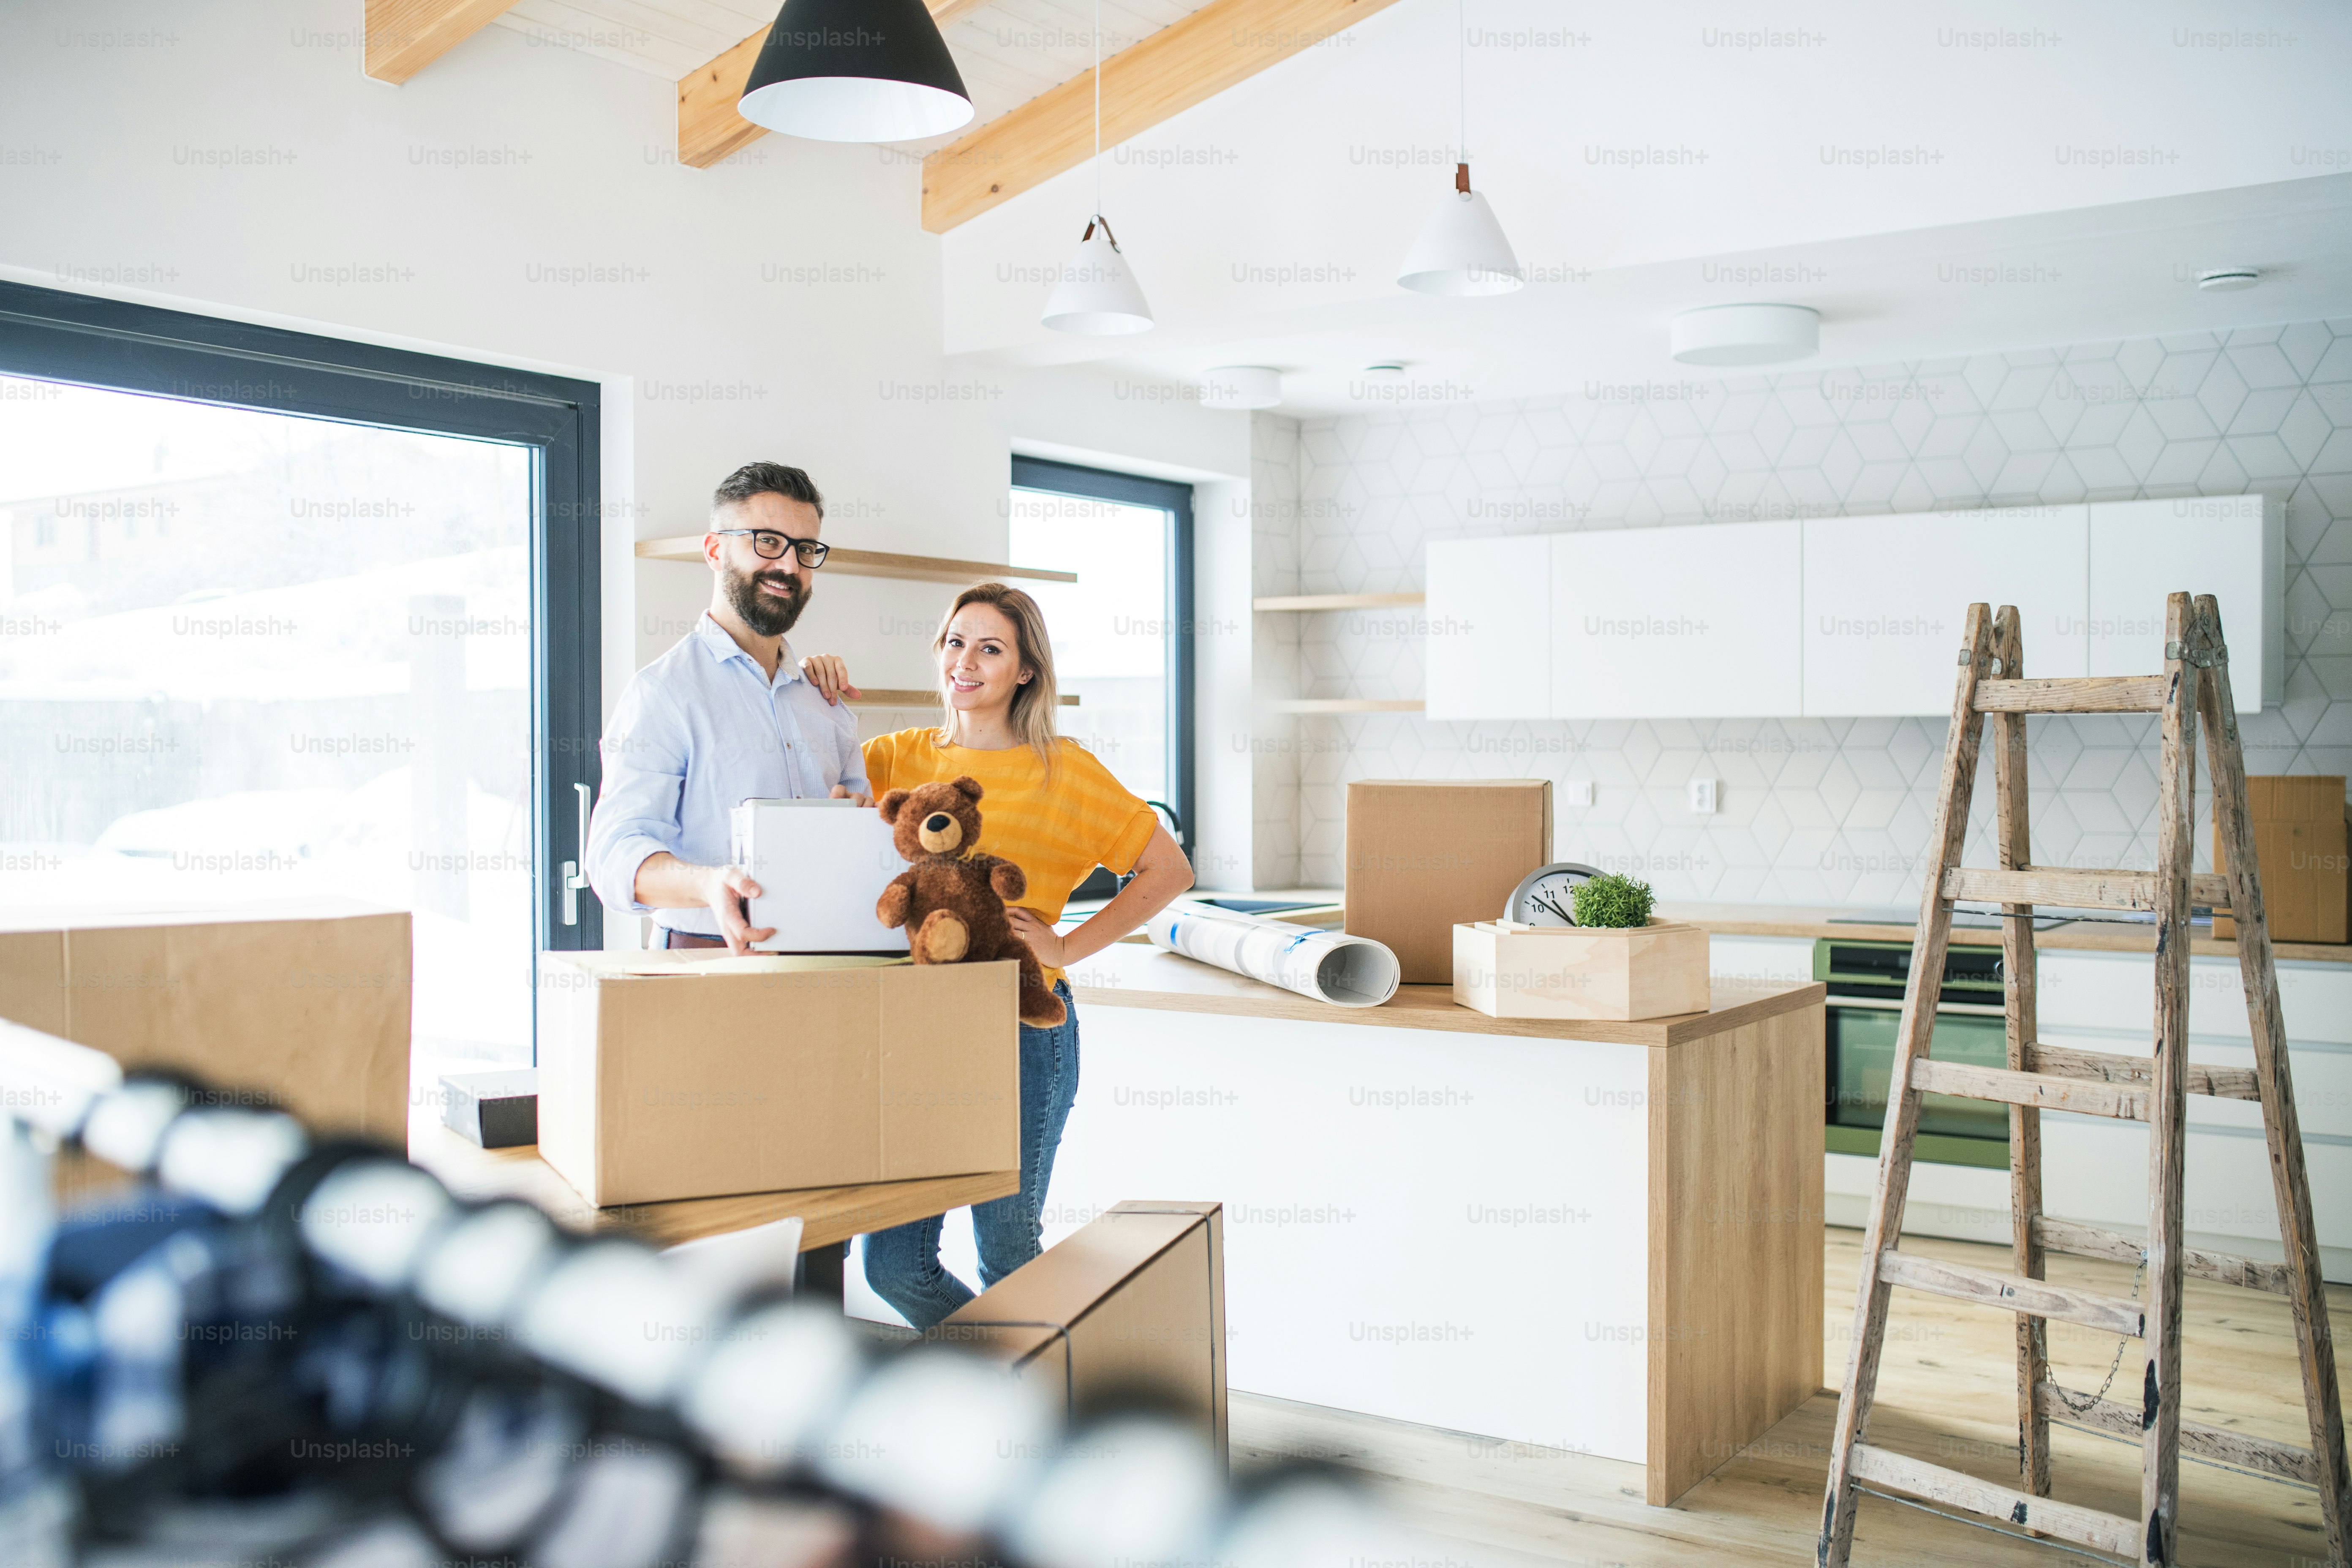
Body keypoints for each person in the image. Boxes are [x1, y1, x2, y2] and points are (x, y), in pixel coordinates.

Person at [830, 583, 1194, 1328]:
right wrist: (815, 690)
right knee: (891, 1266)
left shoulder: (1065, 771)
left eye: (990, 648)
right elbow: (812, 812)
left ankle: (1033, 1387)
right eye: (955, 642)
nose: (964, 662)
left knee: (1007, 1256)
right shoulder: (891, 758)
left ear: (1026, 670)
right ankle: (1016, 1374)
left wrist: (1066, 946)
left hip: (1023, 1031)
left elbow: (1169, 870)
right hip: (915, 1038)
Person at [585, 461, 869, 952]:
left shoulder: (826, 700)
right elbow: (612, 858)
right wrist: (706, 883)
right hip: (704, 963)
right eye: (767, 541)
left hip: (831, 958)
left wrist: (856, 826)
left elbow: (864, 841)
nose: (789, 566)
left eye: (805, 549)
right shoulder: (662, 692)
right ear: (715, 551)